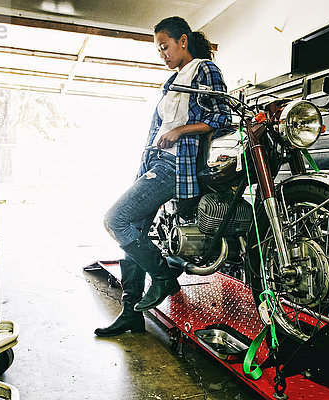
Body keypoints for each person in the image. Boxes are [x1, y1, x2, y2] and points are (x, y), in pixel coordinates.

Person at [95, 16, 232, 337]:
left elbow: (222, 117)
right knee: (132, 237)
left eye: (165, 47)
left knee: (115, 220)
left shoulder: (204, 70)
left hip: (177, 165)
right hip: (156, 165)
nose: (163, 54)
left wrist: (180, 130)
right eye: (159, 50)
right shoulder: (173, 82)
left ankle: (163, 277)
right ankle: (130, 314)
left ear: (183, 41)